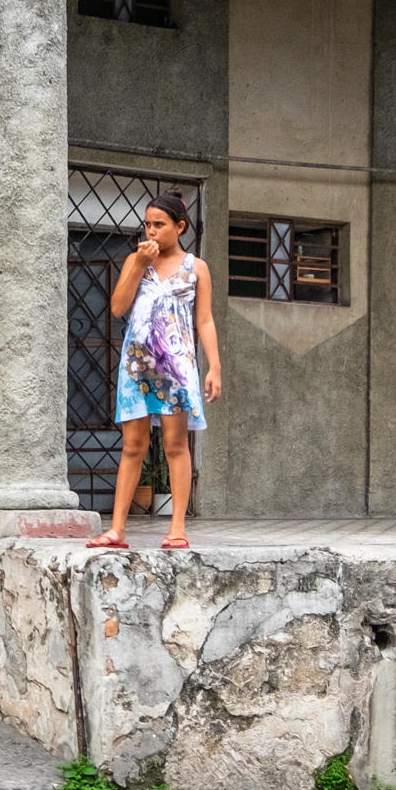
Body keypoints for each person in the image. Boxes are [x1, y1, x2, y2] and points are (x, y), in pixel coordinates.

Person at [87, 192, 221, 550]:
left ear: (180, 227)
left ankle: (177, 529)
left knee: (175, 445)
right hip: (136, 367)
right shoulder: (137, 260)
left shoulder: (197, 268)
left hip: (176, 367)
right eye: (147, 224)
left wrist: (214, 367)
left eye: (159, 224)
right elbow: (118, 307)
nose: (151, 231)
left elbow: (205, 320)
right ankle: (117, 530)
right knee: (133, 446)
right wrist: (138, 265)